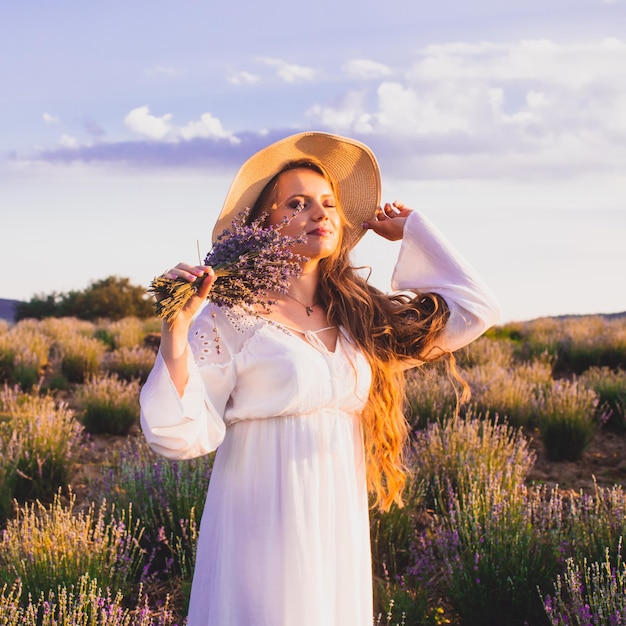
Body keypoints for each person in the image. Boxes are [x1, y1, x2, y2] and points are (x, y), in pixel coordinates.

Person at [140, 131, 501, 626]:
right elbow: (176, 434)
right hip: (260, 519)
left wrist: (416, 229)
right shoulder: (228, 316)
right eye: (298, 202)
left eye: (329, 203)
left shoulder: (359, 315)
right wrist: (176, 331)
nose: (321, 213)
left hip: (337, 519)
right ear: (263, 223)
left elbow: (475, 311)